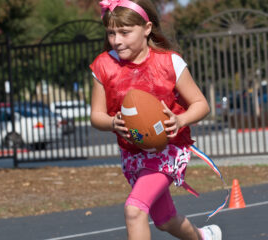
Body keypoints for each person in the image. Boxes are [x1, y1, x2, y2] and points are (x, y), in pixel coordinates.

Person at [89, 0, 222, 239]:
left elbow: (201, 104)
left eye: (124, 32)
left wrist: (180, 120)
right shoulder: (103, 66)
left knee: (134, 210)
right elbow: (96, 116)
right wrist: (111, 123)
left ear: (147, 28)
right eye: (111, 33)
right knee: (165, 220)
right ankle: (205, 237)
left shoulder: (169, 62)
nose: (116, 40)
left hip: (167, 148)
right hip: (134, 152)